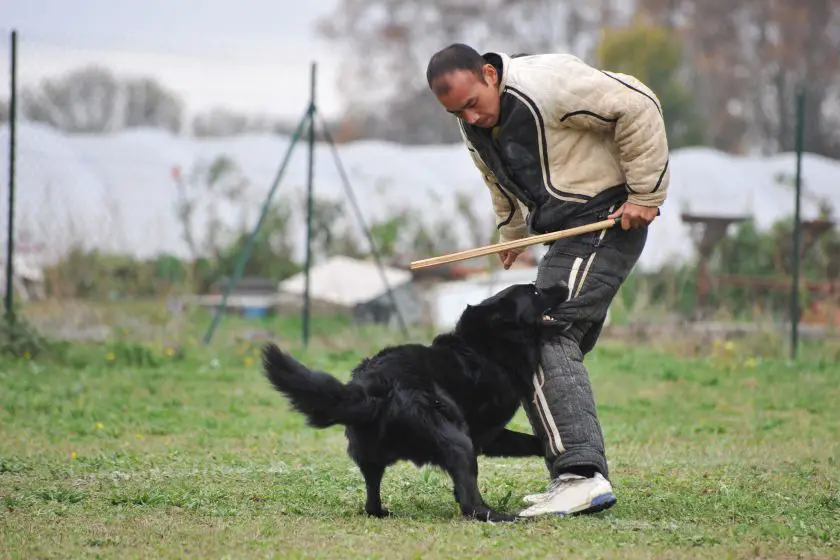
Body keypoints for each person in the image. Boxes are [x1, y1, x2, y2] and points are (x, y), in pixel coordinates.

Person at [425, 43, 670, 517]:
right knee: (538, 341)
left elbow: (638, 103)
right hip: (565, 236)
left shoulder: (545, 83)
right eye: (456, 112)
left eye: (472, 103)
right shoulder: (473, 122)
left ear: (490, 74)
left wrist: (645, 191)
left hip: (608, 220)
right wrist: (513, 230)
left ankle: (580, 477)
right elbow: (497, 174)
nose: (469, 117)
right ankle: (572, 476)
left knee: (540, 331)